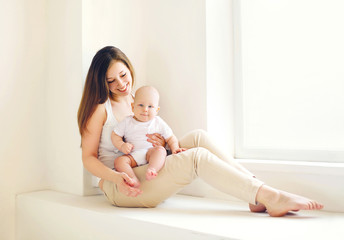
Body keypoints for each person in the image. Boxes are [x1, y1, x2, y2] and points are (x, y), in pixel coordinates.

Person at [77, 46, 323, 217]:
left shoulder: (135, 99)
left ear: (129, 68)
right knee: (195, 157)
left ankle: (256, 191)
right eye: (111, 81)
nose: (121, 84)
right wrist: (117, 179)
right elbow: (87, 158)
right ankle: (272, 197)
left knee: (198, 137)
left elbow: (150, 141)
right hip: (122, 184)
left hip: (145, 168)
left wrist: (162, 144)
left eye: (123, 74)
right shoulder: (101, 108)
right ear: (101, 82)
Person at [112, 86, 187, 187]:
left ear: (157, 110)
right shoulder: (127, 122)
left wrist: (175, 148)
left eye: (150, 106)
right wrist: (121, 145)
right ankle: (132, 178)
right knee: (119, 161)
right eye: (141, 105)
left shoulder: (158, 122)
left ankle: (152, 169)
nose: (145, 109)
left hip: (150, 154)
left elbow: (170, 137)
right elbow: (115, 135)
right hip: (133, 156)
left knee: (161, 150)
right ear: (133, 106)